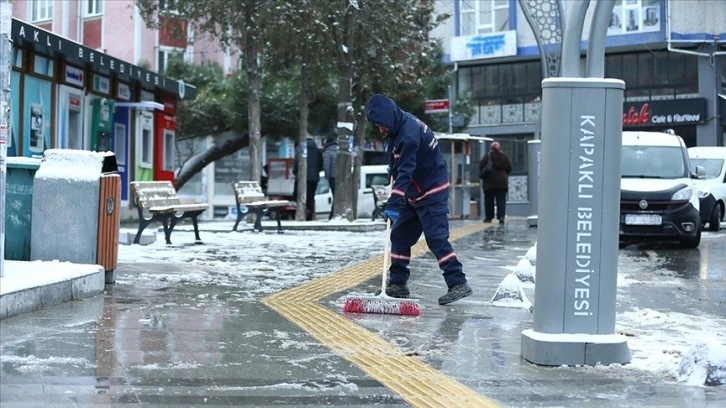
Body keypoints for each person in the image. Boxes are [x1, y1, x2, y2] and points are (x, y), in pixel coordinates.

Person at [366, 93, 473, 305]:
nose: (381, 130)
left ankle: (458, 282)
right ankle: (397, 284)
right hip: (413, 193)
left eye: (381, 125)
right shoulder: (400, 124)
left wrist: (394, 202)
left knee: (436, 238)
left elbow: (406, 172)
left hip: (431, 191)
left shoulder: (409, 135)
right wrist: (392, 167)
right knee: (399, 236)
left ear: (389, 118)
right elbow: (400, 164)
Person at [479, 141, 512, 224]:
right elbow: (509, 168)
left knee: (489, 200)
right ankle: (501, 216)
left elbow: (481, 166)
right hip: (502, 182)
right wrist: (503, 174)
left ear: (491, 148)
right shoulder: (504, 156)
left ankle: (489, 217)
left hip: (489, 182)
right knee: (501, 200)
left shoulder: (487, 156)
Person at [293, 137, 323, 221]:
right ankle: (309, 215)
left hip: (301, 177)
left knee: (297, 194)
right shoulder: (318, 151)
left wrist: (295, 172)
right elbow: (321, 165)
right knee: (311, 197)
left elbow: (296, 162)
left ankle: (302, 211)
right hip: (314, 178)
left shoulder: (299, 148)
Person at [321, 136, 338, 220]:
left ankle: (332, 215)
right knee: (337, 196)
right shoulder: (339, 150)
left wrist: (327, 176)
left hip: (332, 177)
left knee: (335, 196)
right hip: (340, 177)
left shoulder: (328, 152)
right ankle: (334, 214)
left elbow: (326, 166)